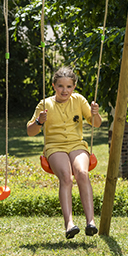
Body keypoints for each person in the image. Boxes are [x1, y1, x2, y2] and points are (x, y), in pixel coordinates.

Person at [27, 66, 102, 239]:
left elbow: (96, 123)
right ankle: (69, 224)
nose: (64, 90)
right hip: (55, 147)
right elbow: (31, 131)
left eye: (68, 87)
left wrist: (95, 114)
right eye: (60, 86)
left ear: (74, 87)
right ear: (54, 86)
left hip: (77, 145)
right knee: (67, 177)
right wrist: (39, 121)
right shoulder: (45, 104)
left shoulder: (79, 100)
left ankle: (90, 222)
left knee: (82, 173)